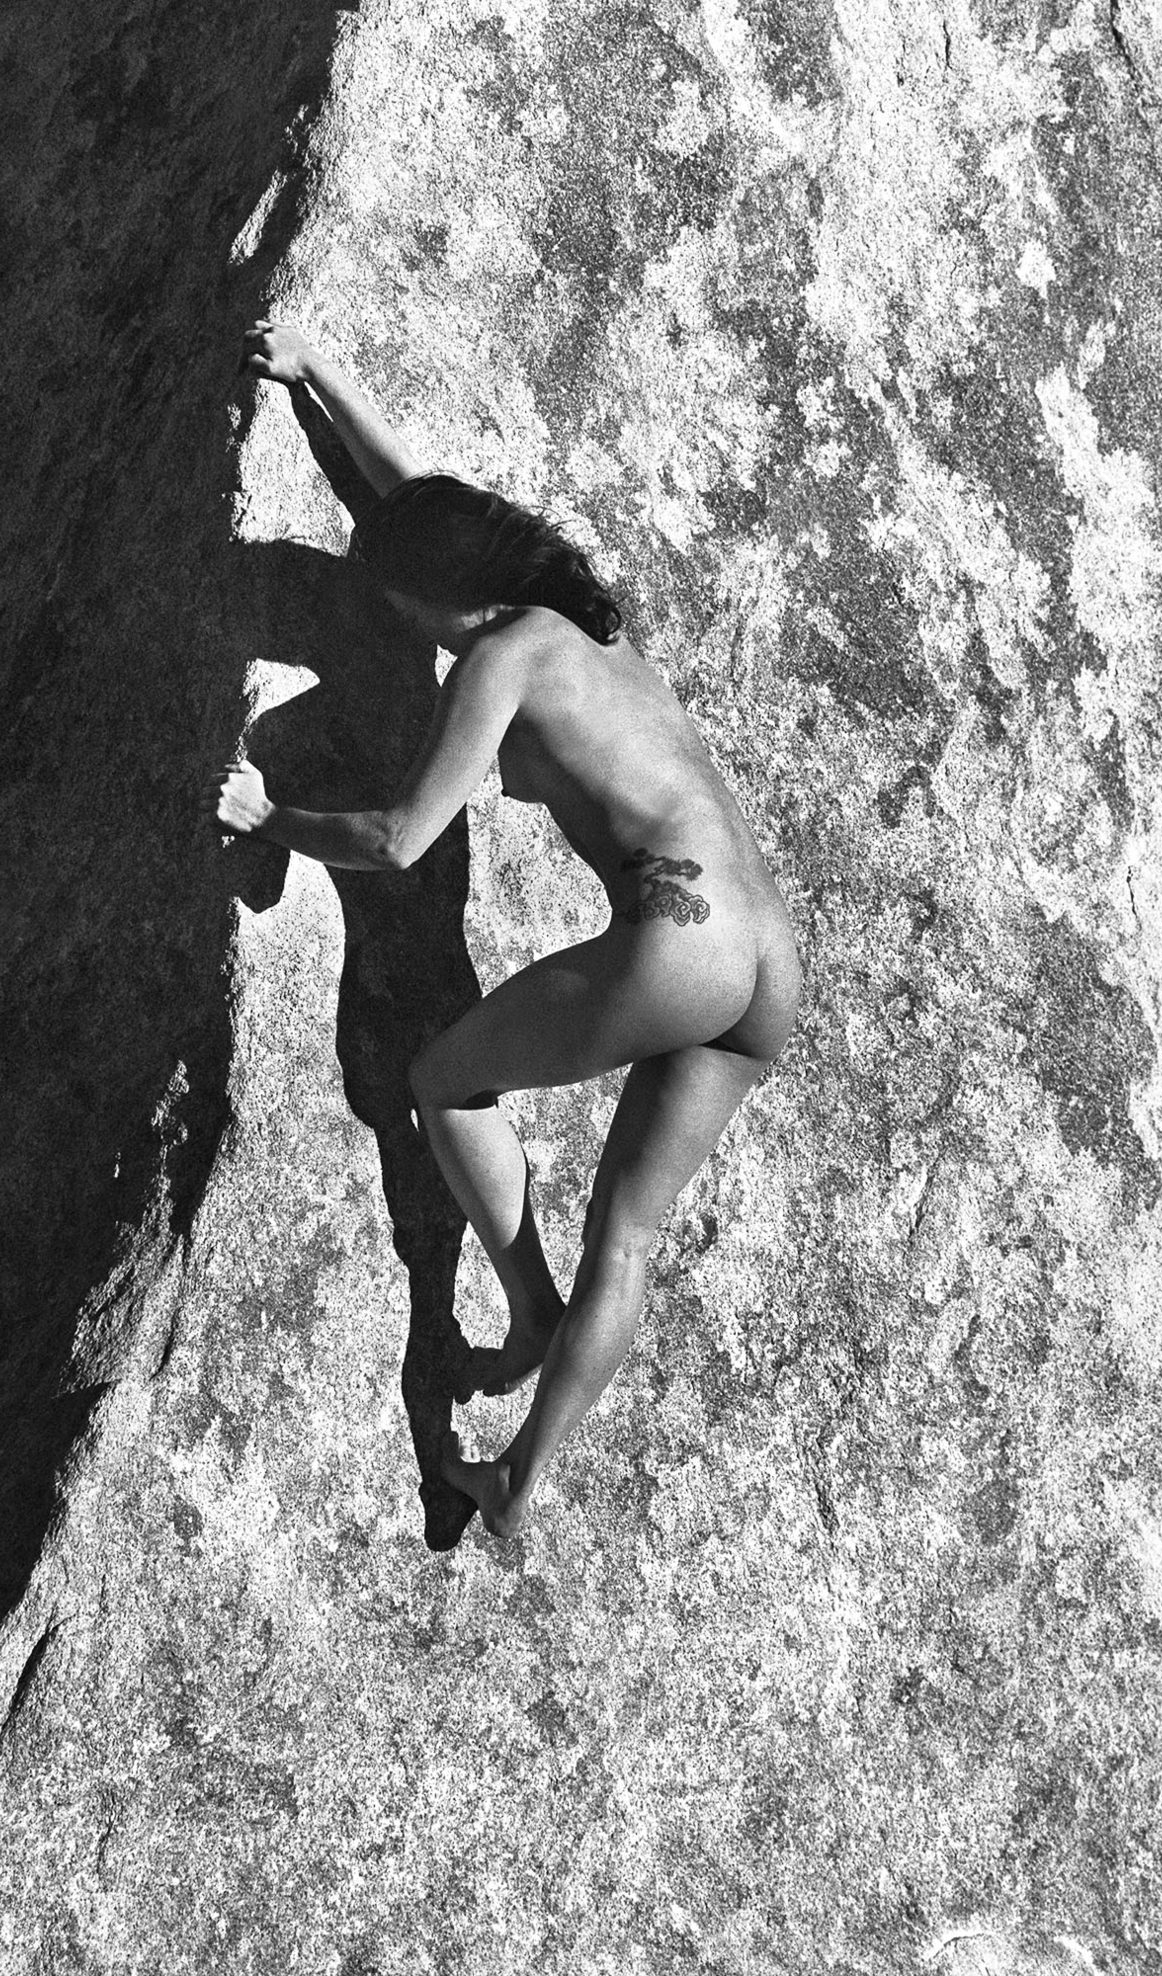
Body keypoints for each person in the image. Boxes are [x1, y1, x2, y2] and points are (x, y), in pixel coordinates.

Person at [213, 322, 803, 1537]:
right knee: (626, 1236)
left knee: (442, 1080)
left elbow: (398, 838)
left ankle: (530, 1308)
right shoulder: (585, 623)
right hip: (766, 961)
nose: (417, 633)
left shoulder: (504, 655)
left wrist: (272, 815)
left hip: (677, 937)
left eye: (420, 617)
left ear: (465, 607)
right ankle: (518, 1480)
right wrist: (318, 369)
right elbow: (419, 510)